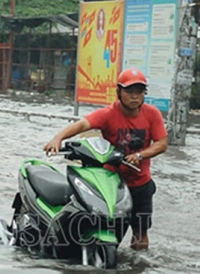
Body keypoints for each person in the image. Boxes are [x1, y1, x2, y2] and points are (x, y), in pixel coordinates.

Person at [43, 68, 168, 251]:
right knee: (109, 227)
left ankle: (137, 273)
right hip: (112, 183)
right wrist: (58, 138)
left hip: (140, 183)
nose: (135, 96)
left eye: (139, 92)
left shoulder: (152, 114)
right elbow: (82, 124)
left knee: (140, 232)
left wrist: (140, 155)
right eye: (129, 91)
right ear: (119, 92)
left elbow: (161, 144)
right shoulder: (108, 114)